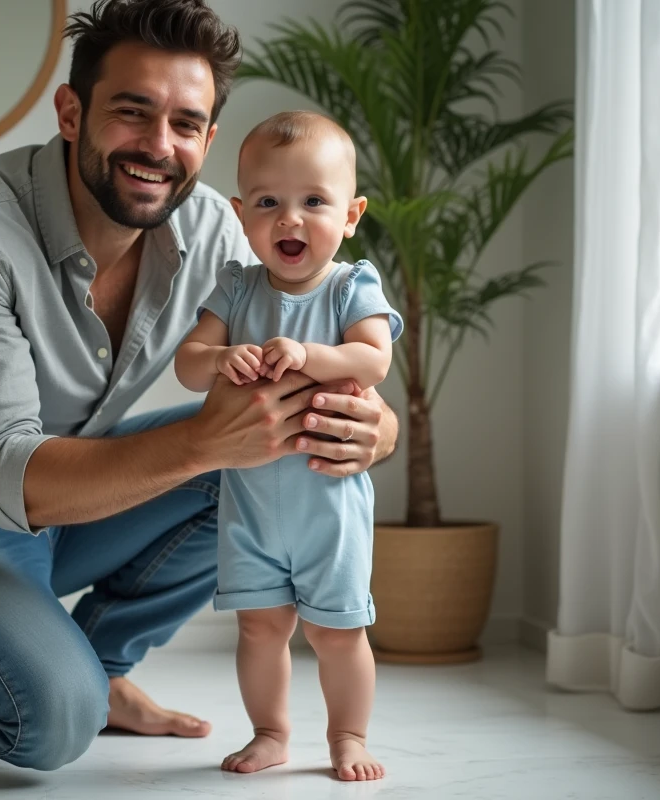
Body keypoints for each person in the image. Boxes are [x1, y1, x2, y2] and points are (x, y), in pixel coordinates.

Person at [0, 0, 399, 772]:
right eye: (132, 112)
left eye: (186, 124)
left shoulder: (218, 233)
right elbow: (6, 474)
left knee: (245, 461)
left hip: (56, 508)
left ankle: (97, 665)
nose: (159, 146)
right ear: (70, 110)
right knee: (52, 722)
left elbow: (346, 364)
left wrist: (372, 433)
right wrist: (201, 442)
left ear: (208, 141)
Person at [175, 111, 401, 782]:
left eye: (313, 202)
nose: (290, 220)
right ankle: (270, 733)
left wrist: (309, 353)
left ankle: (349, 736)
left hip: (327, 505)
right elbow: (187, 364)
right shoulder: (238, 289)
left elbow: (374, 361)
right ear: (243, 215)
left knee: (337, 633)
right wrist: (220, 358)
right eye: (268, 203)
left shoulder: (350, 286)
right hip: (251, 508)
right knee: (260, 629)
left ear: (352, 214)